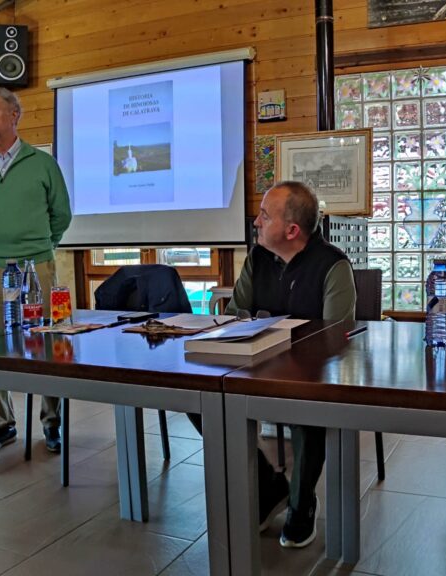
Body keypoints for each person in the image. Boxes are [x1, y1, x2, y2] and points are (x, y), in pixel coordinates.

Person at [191, 181, 355, 548]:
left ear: (292, 230)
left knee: (309, 402)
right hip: (260, 361)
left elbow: (336, 339)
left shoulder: (333, 266)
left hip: (310, 372)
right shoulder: (258, 257)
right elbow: (236, 315)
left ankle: (302, 504)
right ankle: (269, 485)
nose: (256, 221)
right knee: (197, 391)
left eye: (265, 216)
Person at [0, 87, 72, 454]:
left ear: (14, 115)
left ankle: (51, 424)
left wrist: (38, 248)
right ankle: (2, 423)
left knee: (47, 343)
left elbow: (61, 215)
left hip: (35, 264)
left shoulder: (42, 164)